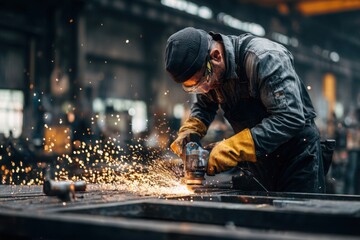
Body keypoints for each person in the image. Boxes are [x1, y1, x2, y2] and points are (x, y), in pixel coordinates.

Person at [165, 27, 325, 193]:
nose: (205, 90)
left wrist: (231, 149)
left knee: (298, 216)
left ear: (216, 56)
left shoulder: (265, 57)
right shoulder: (210, 74)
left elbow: (290, 118)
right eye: (196, 88)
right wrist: (190, 131)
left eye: (203, 81)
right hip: (259, 160)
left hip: (297, 158)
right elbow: (204, 106)